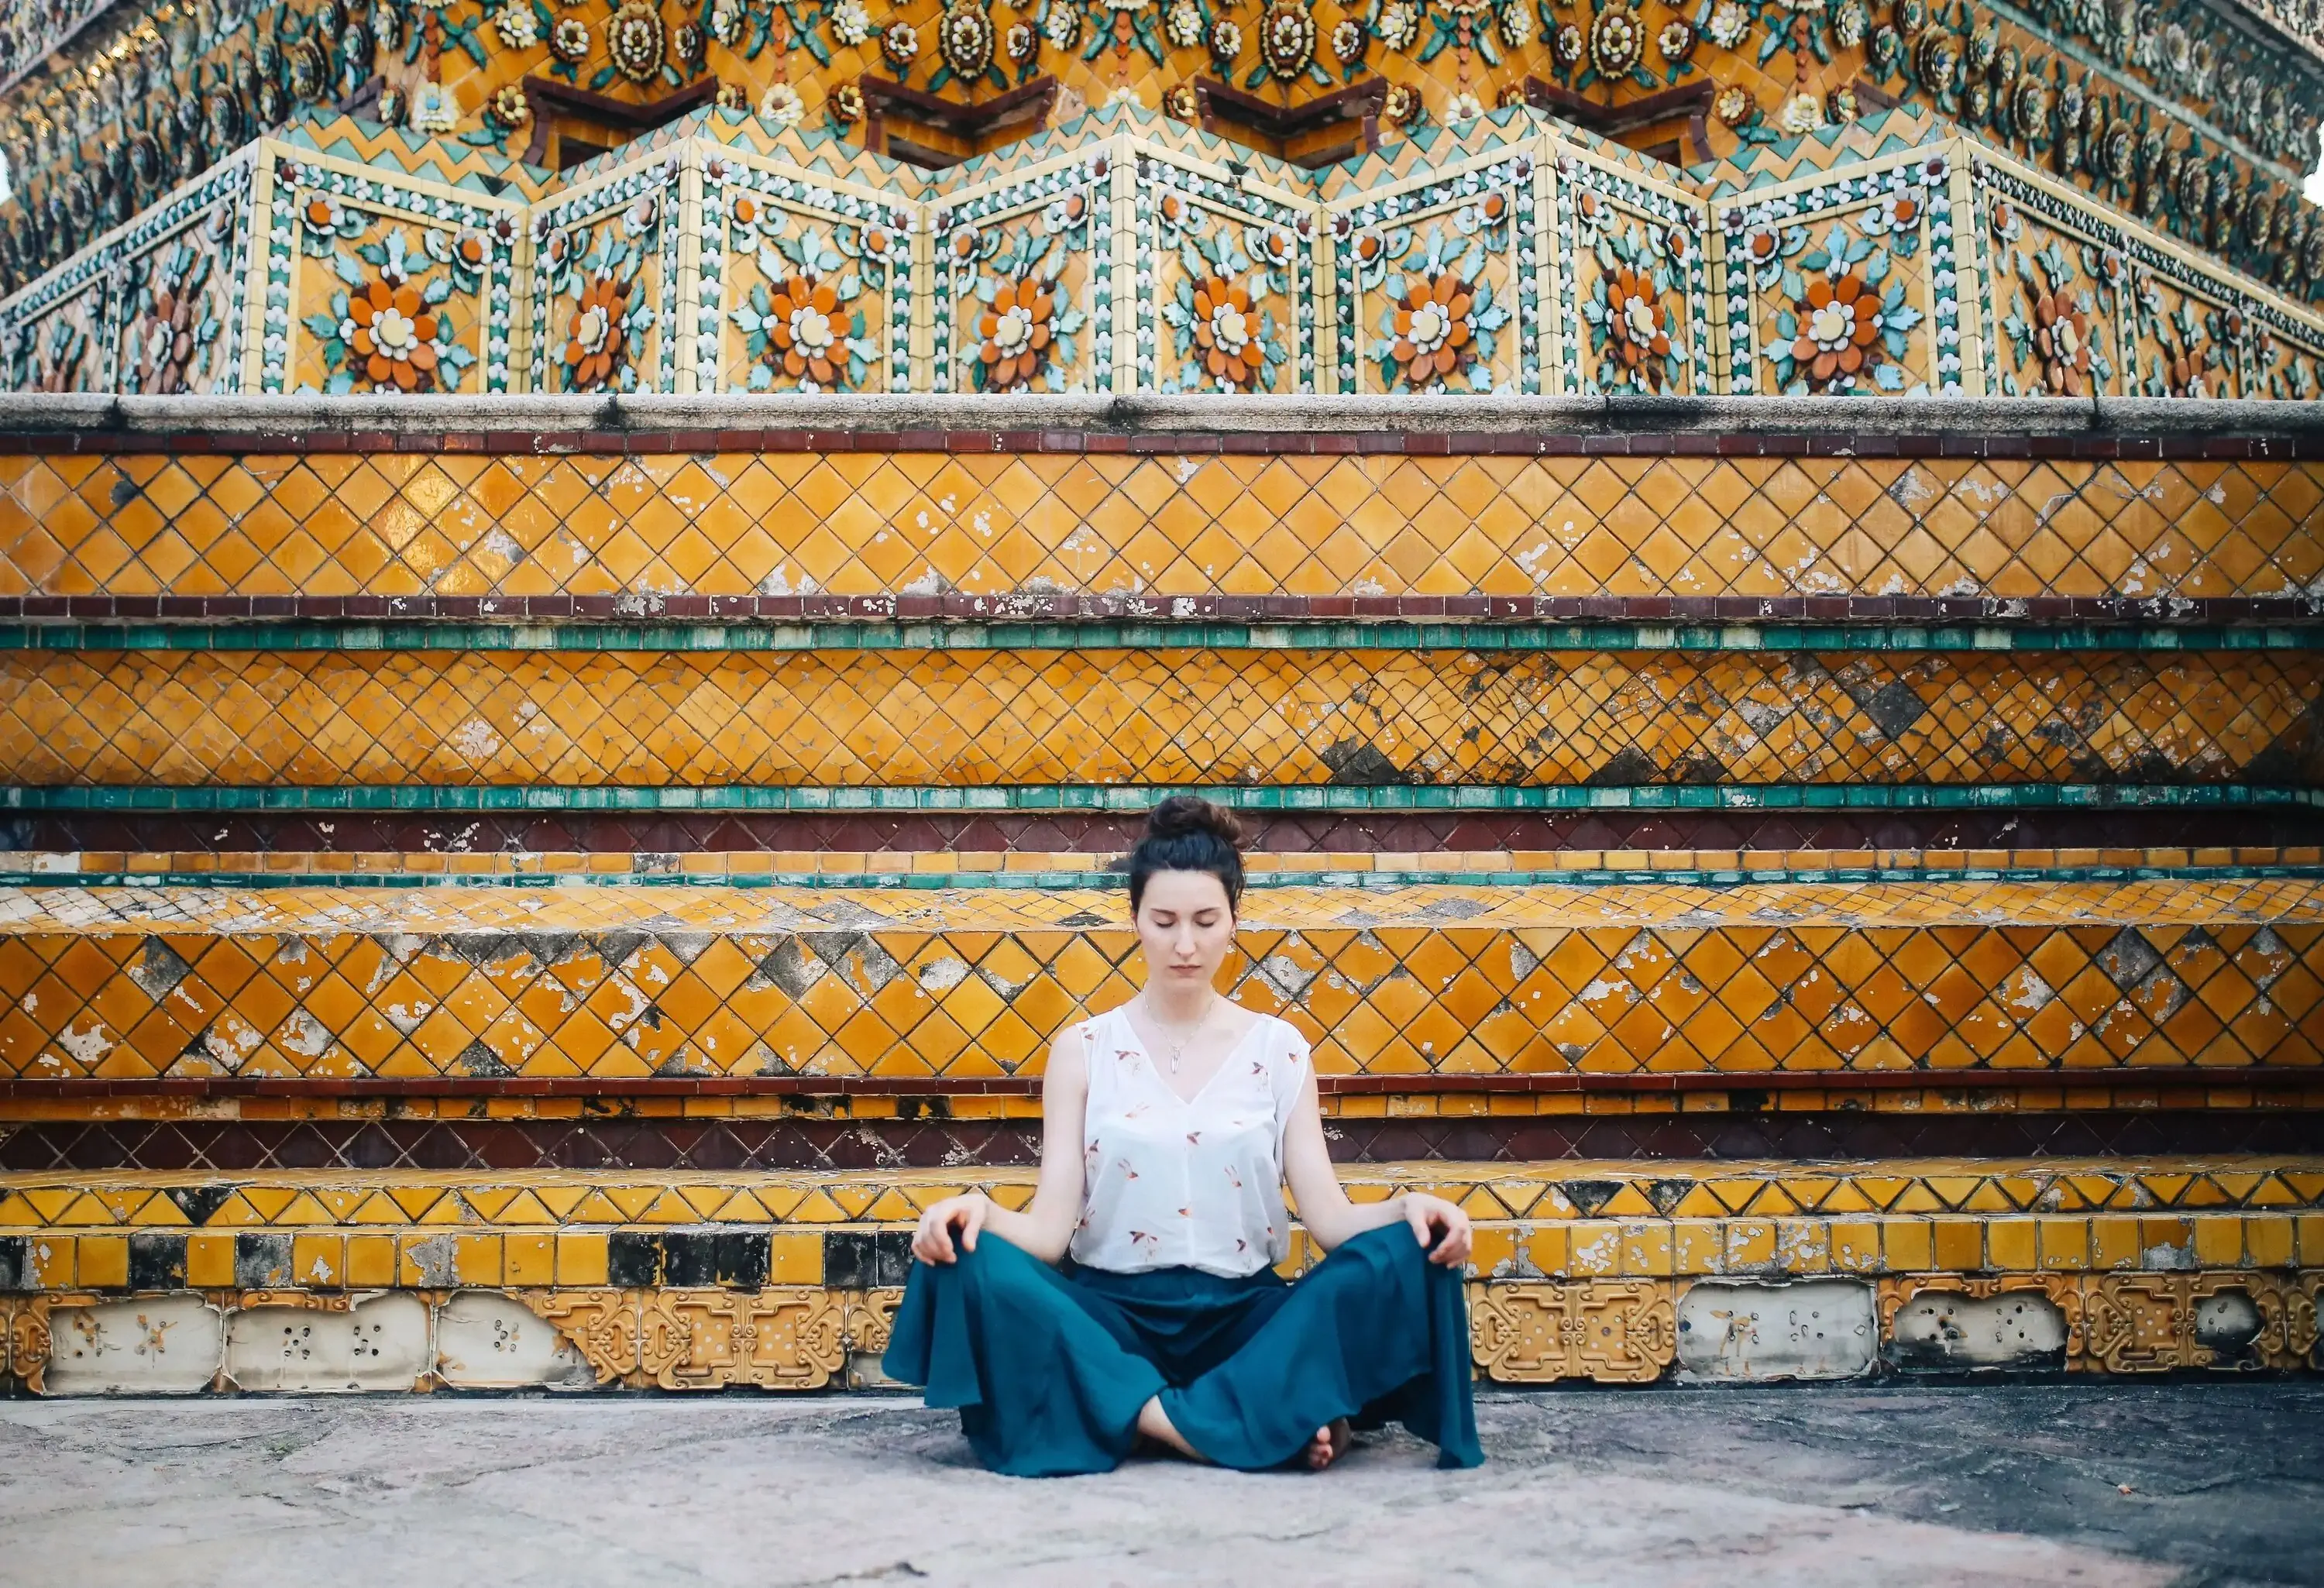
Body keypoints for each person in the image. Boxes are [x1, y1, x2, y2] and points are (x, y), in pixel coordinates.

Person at [882, 795, 1484, 1477]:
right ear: (1135, 920)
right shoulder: (1083, 1048)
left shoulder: (1279, 1048)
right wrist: (976, 1212)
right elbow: (1050, 1235)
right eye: (1164, 921)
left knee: (1409, 1255)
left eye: (1205, 921)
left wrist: (1412, 1208)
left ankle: (1134, 1414)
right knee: (970, 1260)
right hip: (1111, 1323)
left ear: (1234, 921)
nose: (1185, 944)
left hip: (1245, 1324)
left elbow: (1331, 1220)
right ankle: (1199, 1422)